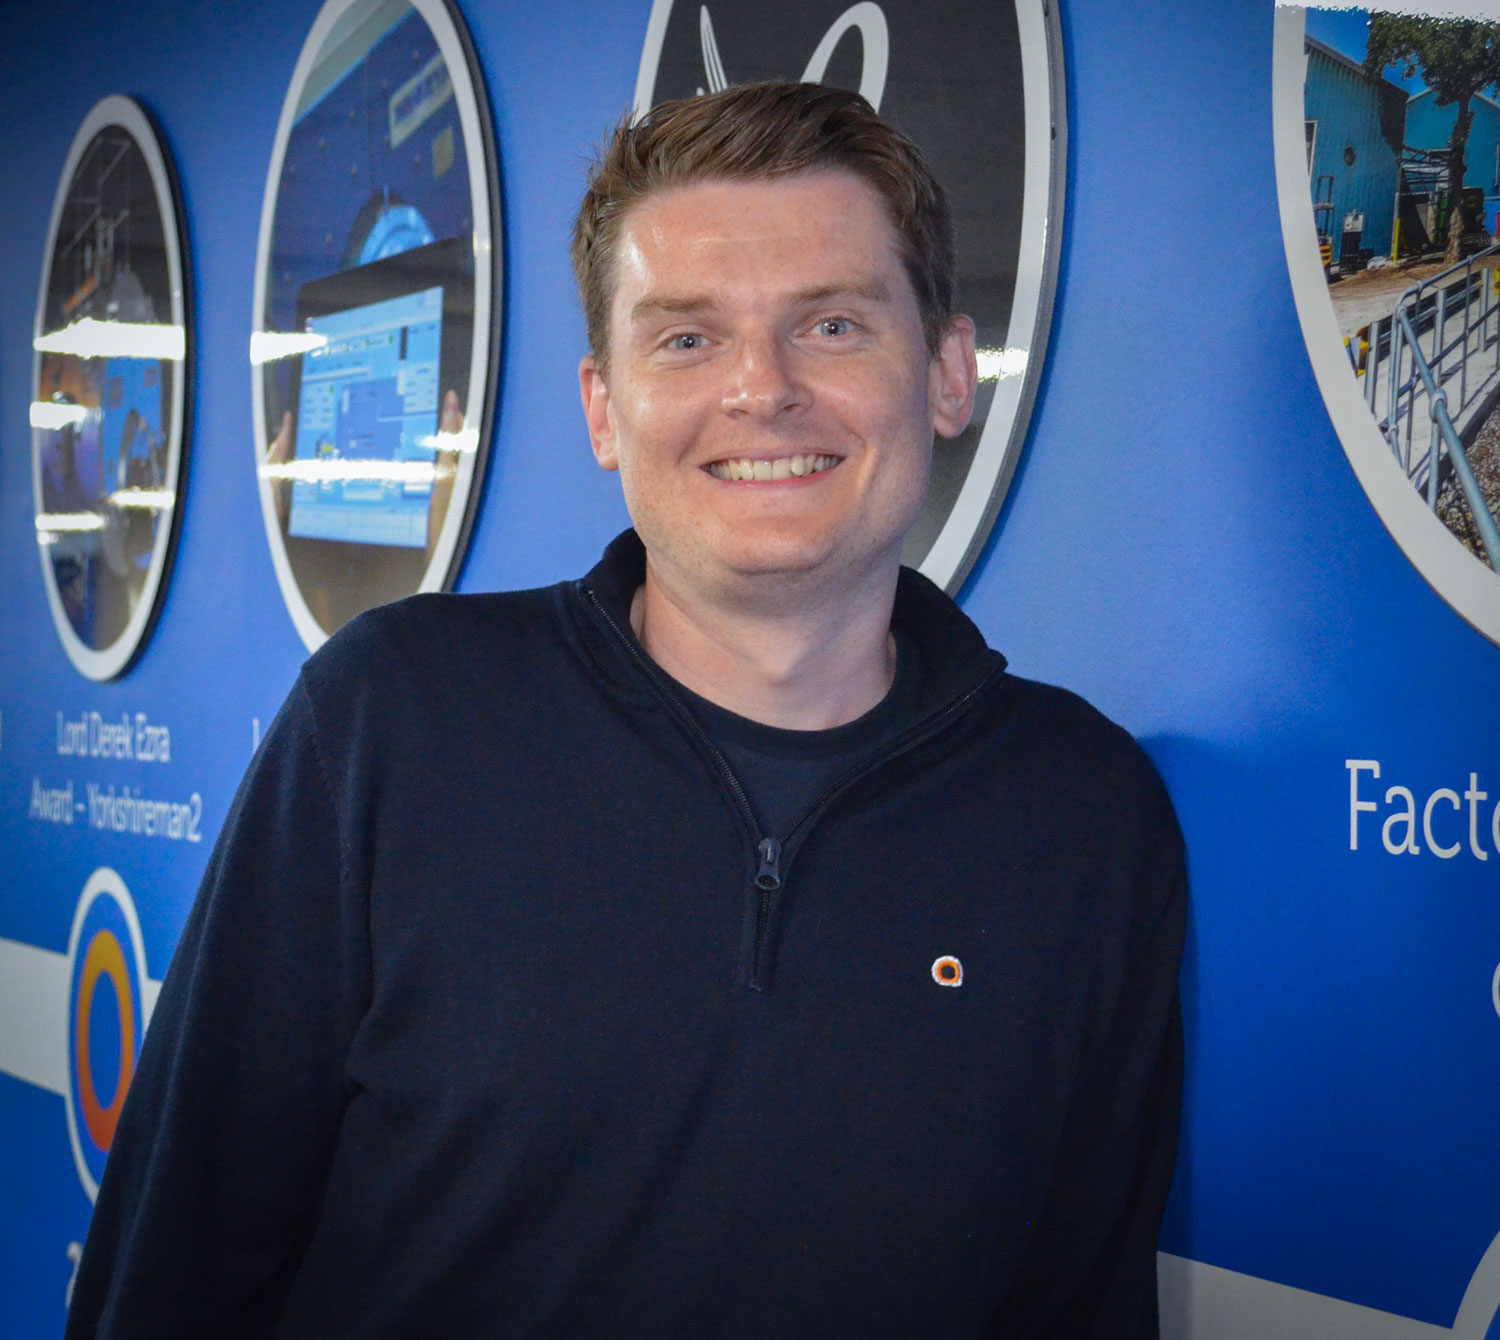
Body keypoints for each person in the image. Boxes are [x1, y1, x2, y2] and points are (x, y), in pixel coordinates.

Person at [67, 81, 1185, 1339]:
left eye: (830, 324)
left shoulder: (1083, 815)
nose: (762, 390)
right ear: (605, 409)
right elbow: (173, 1270)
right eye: (688, 339)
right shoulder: (387, 727)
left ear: (944, 375)